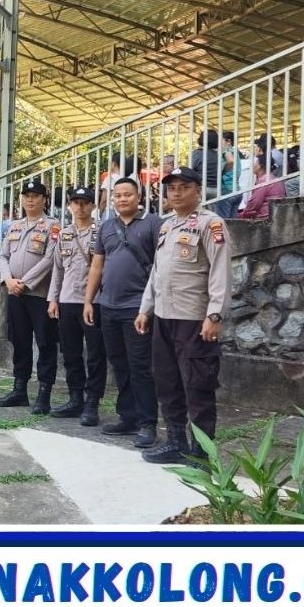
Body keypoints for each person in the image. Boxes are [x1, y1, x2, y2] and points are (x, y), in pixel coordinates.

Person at [135, 167, 232, 465]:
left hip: (193, 318)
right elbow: (157, 272)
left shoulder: (211, 224)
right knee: (167, 382)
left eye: (183, 187)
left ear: (197, 190)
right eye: (172, 188)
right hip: (164, 316)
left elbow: (220, 271)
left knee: (198, 386)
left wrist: (214, 315)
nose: (176, 193)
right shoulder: (167, 226)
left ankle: (201, 453)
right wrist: (145, 309)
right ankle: (176, 442)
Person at [84, 177, 163, 447]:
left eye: (127, 194)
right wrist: (89, 301)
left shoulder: (153, 224)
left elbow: (160, 265)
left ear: (138, 196)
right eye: (117, 195)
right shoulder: (107, 227)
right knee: (119, 364)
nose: (122, 199)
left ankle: (147, 423)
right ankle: (127, 416)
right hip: (108, 306)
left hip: (137, 308)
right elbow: (97, 265)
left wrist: (149, 306)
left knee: (140, 366)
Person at [0, 178, 60, 412]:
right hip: (15, 293)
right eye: (27, 196)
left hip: (39, 294)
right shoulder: (14, 225)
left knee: (45, 344)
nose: (30, 200)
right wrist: (8, 280)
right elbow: (3, 255)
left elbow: (50, 258)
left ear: (44, 199)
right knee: (19, 341)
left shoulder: (53, 226)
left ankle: (44, 394)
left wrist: (25, 282)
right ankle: (19, 389)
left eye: (35, 196)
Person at [47, 185, 106, 426]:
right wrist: (53, 299)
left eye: (85, 203)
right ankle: (75, 398)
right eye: (76, 203)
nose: (80, 207)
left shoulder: (101, 232)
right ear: (69, 205)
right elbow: (57, 270)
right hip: (67, 300)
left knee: (95, 355)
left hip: (93, 302)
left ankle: (92, 402)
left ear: (92, 205)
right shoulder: (64, 234)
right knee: (70, 353)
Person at [239, 154, 287, 220]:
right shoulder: (273, 178)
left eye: (255, 163)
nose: (252, 166)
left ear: (260, 166)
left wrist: (242, 214)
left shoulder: (264, 181)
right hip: (276, 214)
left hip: (265, 216)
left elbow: (254, 203)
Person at [189, 130, 221, 204]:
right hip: (217, 189)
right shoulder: (218, 155)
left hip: (201, 188)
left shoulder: (197, 153)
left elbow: (190, 171)